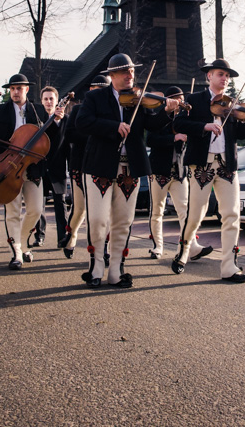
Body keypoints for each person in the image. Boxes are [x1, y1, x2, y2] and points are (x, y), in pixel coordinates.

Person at [75, 54, 178, 288]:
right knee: (98, 220)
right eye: (124, 71)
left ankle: (116, 271)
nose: (130, 74)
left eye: (131, 70)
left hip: (129, 168)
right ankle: (96, 267)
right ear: (112, 75)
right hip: (99, 166)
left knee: (123, 221)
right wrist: (114, 126)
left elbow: (152, 125)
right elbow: (82, 122)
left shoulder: (139, 99)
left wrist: (167, 111)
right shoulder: (95, 97)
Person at [172, 58, 245, 283]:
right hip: (202, 165)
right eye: (220, 74)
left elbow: (239, 135)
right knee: (196, 213)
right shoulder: (194, 100)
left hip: (227, 165)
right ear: (209, 76)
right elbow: (178, 124)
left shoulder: (233, 104)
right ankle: (184, 251)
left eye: (227, 76)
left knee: (232, 214)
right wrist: (204, 126)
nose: (225, 78)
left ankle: (229, 267)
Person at [0, 73, 62, 270]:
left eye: (19, 88)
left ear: (27, 89)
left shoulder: (38, 110)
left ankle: (23, 241)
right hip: (7, 168)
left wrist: (56, 121)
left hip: (33, 168)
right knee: (13, 212)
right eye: (12, 88)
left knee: (35, 210)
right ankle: (16, 252)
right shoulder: (0, 110)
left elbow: (51, 139)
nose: (15, 92)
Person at [145, 86, 211, 261]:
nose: (182, 103)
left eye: (182, 100)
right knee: (157, 211)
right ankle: (157, 246)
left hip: (179, 171)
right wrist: (174, 138)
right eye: (178, 100)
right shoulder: (159, 116)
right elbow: (150, 140)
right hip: (159, 170)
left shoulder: (185, 119)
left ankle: (191, 246)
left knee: (184, 210)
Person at [60, 74, 109, 259]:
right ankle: (71, 236)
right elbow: (70, 135)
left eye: (103, 90)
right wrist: (96, 132)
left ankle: (99, 249)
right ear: (90, 91)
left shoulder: (111, 111)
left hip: (102, 165)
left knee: (101, 212)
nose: (100, 93)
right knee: (80, 208)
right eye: (96, 89)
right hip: (80, 164)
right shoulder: (78, 109)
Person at [40, 86, 70, 249]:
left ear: (57, 101)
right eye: (45, 99)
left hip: (58, 167)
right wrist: (52, 121)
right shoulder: (38, 118)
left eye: (51, 99)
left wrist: (57, 120)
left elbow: (66, 145)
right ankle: (39, 235)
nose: (49, 102)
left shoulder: (66, 120)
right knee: (39, 203)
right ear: (41, 101)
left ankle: (62, 237)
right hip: (40, 166)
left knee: (60, 202)